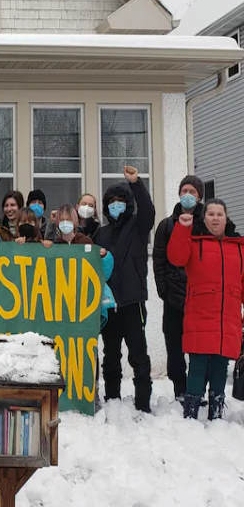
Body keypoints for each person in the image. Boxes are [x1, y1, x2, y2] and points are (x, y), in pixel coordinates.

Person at [167, 199, 244, 420]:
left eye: (220, 214)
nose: (215, 218)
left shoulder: (239, 248)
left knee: (221, 367)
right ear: (204, 218)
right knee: (198, 366)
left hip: (227, 318)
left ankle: (216, 413)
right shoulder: (194, 242)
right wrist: (182, 228)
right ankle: (190, 414)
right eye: (211, 214)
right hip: (200, 316)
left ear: (226, 217)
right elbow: (176, 257)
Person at [94, 166, 155, 413]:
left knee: (138, 355)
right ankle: (113, 398)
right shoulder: (101, 232)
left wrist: (136, 183)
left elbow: (148, 211)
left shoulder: (139, 227)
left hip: (133, 302)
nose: (116, 205)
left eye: (120, 201)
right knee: (110, 356)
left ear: (128, 204)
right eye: (111, 202)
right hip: (109, 304)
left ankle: (143, 403)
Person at [153, 175, 205, 402]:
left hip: (200, 298)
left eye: (193, 191)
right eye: (185, 190)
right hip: (173, 297)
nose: (188, 195)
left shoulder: (206, 222)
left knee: (199, 348)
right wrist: (163, 289)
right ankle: (180, 390)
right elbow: (159, 259)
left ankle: (196, 390)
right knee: (174, 346)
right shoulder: (166, 225)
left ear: (200, 196)